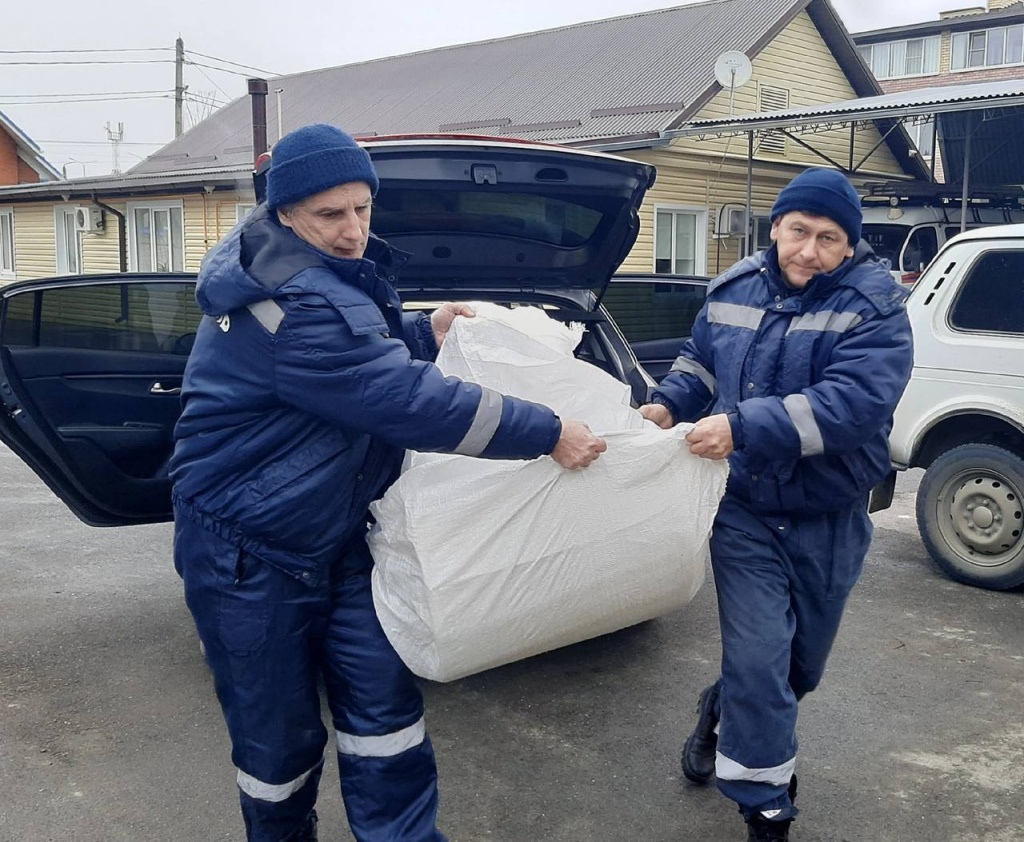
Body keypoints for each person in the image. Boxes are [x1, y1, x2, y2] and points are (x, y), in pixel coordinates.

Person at [169, 123, 606, 842]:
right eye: (330, 215)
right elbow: (402, 401)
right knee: (276, 744)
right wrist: (548, 430)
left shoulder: (309, 275)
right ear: (284, 212)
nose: (352, 231)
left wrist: (421, 329)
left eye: (362, 209)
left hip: (339, 536)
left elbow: (361, 345)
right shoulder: (290, 300)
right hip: (247, 550)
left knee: (386, 715)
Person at [639, 168, 913, 841]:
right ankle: (767, 811)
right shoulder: (732, 290)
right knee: (761, 661)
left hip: (830, 517)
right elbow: (701, 361)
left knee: (797, 671)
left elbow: (850, 407)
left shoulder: (875, 309)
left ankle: (717, 711)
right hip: (746, 510)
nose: (809, 251)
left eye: (828, 238)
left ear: (849, 247)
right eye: (798, 232)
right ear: (776, 228)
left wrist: (741, 424)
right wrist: (668, 402)